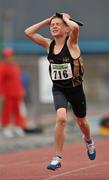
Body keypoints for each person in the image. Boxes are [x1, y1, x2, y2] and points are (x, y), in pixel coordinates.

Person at [24, 12, 96, 170]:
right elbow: (28, 32)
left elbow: (75, 27)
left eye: (58, 24)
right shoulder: (47, 44)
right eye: (52, 25)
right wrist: (47, 20)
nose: (54, 26)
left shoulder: (72, 43)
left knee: (82, 122)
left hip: (76, 90)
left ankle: (89, 140)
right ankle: (57, 157)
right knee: (61, 118)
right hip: (59, 89)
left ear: (66, 29)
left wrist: (65, 18)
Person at [0, 47, 28, 137]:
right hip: (8, 94)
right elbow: (1, 81)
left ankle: (17, 127)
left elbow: (18, 79)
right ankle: (6, 128)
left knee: (17, 111)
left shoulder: (15, 66)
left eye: (10, 56)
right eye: (7, 56)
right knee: (7, 111)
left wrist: (22, 89)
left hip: (17, 93)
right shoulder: (3, 67)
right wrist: (2, 93)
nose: (9, 58)